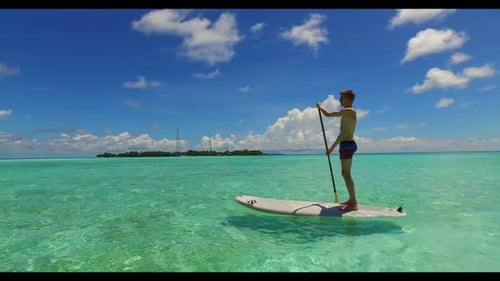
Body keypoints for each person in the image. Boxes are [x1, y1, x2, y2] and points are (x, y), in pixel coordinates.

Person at [316, 89, 358, 211]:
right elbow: (342, 135)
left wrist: (320, 107)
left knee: (346, 173)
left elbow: (328, 115)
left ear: (349, 99)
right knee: (345, 173)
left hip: (348, 145)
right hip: (345, 144)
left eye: (342, 98)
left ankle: (354, 203)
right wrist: (331, 148)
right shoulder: (347, 114)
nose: (340, 100)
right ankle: (352, 200)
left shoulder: (349, 111)